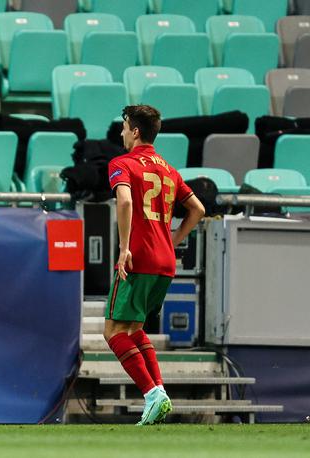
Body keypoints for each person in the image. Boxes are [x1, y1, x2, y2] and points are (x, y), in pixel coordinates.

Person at [104, 105, 205, 426]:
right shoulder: (169, 169)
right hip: (165, 260)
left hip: (138, 257)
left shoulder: (122, 164)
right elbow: (198, 209)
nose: (121, 133)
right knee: (135, 329)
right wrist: (173, 240)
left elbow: (125, 201)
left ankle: (151, 393)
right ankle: (158, 391)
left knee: (113, 331)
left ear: (135, 131)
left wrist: (123, 248)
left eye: (124, 127)